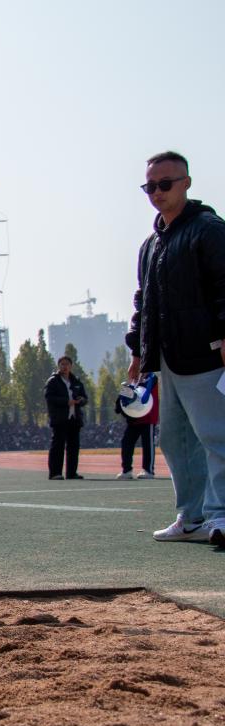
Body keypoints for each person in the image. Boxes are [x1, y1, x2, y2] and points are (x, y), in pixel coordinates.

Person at [125, 151, 225, 544]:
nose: (157, 192)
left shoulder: (208, 229)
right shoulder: (151, 245)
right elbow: (143, 302)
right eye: (150, 186)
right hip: (168, 358)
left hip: (206, 353)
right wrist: (137, 351)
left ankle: (221, 515)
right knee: (175, 440)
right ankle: (191, 516)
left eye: (165, 184)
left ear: (186, 183)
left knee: (216, 435)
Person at [44, 356, 88, 480]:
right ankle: (55, 473)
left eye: (67, 364)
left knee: (73, 447)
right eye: (62, 364)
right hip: (60, 418)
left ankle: (71, 473)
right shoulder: (53, 381)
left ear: (71, 366)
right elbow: (49, 398)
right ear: (58, 366)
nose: (65, 367)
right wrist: (66, 402)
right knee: (58, 446)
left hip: (74, 418)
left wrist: (81, 400)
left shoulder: (76, 381)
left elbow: (85, 398)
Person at [116, 373, 158, 480]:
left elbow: (144, 394)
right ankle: (127, 470)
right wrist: (120, 400)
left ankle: (148, 470)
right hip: (133, 418)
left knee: (148, 444)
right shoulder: (132, 378)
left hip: (147, 417)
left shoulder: (151, 377)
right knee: (126, 442)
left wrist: (132, 386)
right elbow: (124, 396)